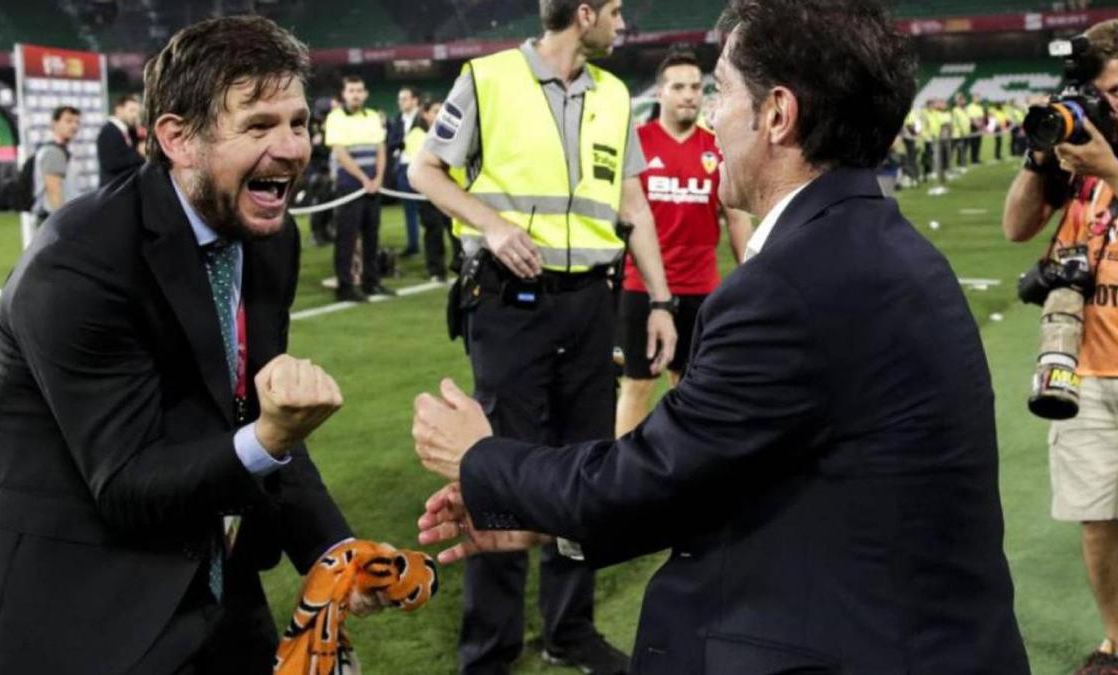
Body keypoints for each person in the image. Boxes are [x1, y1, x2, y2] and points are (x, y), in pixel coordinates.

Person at [412, 0, 1031, 672]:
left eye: (721, 91)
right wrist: (545, 522)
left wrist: (481, 459)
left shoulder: (790, 285)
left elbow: (647, 476)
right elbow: (725, 475)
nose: (709, 115)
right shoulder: (887, 247)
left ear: (777, 115)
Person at [0, 16, 394, 674]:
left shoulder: (269, 237)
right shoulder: (79, 263)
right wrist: (269, 438)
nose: (293, 148)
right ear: (177, 138)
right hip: (74, 600)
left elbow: (252, 413)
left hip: (208, 570)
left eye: (299, 123)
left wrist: (337, 553)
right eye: (259, 125)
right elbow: (127, 481)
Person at [408, 0, 678, 672]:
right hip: (508, 303)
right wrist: (492, 225)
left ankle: (569, 629)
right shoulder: (487, 78)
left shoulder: (616, 96)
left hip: (591, 304)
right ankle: (490, 649)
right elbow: (424, 170)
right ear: (582, 12)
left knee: (584, 464)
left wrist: (663, 299)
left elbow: (632, 204)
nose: (623, 23)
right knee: (496, 465)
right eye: (614, 9)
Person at [1002, 18, 1118, 674]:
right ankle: (1116, 639)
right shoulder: (1074, 161)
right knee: (1098, 516)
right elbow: (1017, 226)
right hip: (1087, 366)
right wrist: (1038, 157)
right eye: (1107, 91)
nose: (1110, 104)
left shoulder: (1101, 159)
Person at [615, 49, 752, 437]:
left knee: (693, 388)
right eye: (678, 87)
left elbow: (738, 221)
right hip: (640, 289)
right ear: (660, 93)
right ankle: (621, 484)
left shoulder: (716, 149)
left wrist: (754, 276)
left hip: (702, 291)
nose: (689, 95)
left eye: (696, 86)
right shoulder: (636, 145)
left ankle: (686, 477)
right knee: (637, 385)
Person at [325, 74, 391, 302]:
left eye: (359, 90)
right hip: (351, 186)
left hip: (373, 186)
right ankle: (344, 287)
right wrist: (364, 178)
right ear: (344, 94)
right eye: (351, 90)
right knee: (347, 237)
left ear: (365, 93)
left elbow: (380, 149)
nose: (355, 94)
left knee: (372, 235)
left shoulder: (373, 116)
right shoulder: (335, 118)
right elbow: (340, 153)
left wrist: (379, 178)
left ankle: (371, 282)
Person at [405, 99, 458, 281]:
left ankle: (460, 266)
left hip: (450, 192)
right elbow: (422, 166)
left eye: (443, 110)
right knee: (434, 230)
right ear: (425, 114)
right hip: (427, 195)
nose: (440, 114)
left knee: (456, 230)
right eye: (436, 110)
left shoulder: (451, 133)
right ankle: (436, 270)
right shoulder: (416, 135)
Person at [32, 105, 81, 224]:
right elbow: (53, 190)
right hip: (53, 220)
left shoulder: (59, 150)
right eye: (68, 121)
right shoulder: (54, 152)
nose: (74, 126)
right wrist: (61, 223)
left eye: (77, 122)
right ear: (55, 123)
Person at [389, 85, 423, 257]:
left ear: (415, 100)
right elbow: (391, 142)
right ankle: (413, 245)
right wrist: (400, 143)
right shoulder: (398, 119)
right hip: (403, 168)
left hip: (424, 169)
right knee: (409, 209)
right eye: (399, 99)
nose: (400, 102)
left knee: (433, 212)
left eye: (404, 98)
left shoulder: (425, 117)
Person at [97, 93, 145, 187]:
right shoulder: (109, 131)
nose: (135, 115)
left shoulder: (131, 132)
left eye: (137, 112)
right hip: (112, 190)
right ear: (119, 109)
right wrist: (139, 154)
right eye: (132, 110)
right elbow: (112, 163)